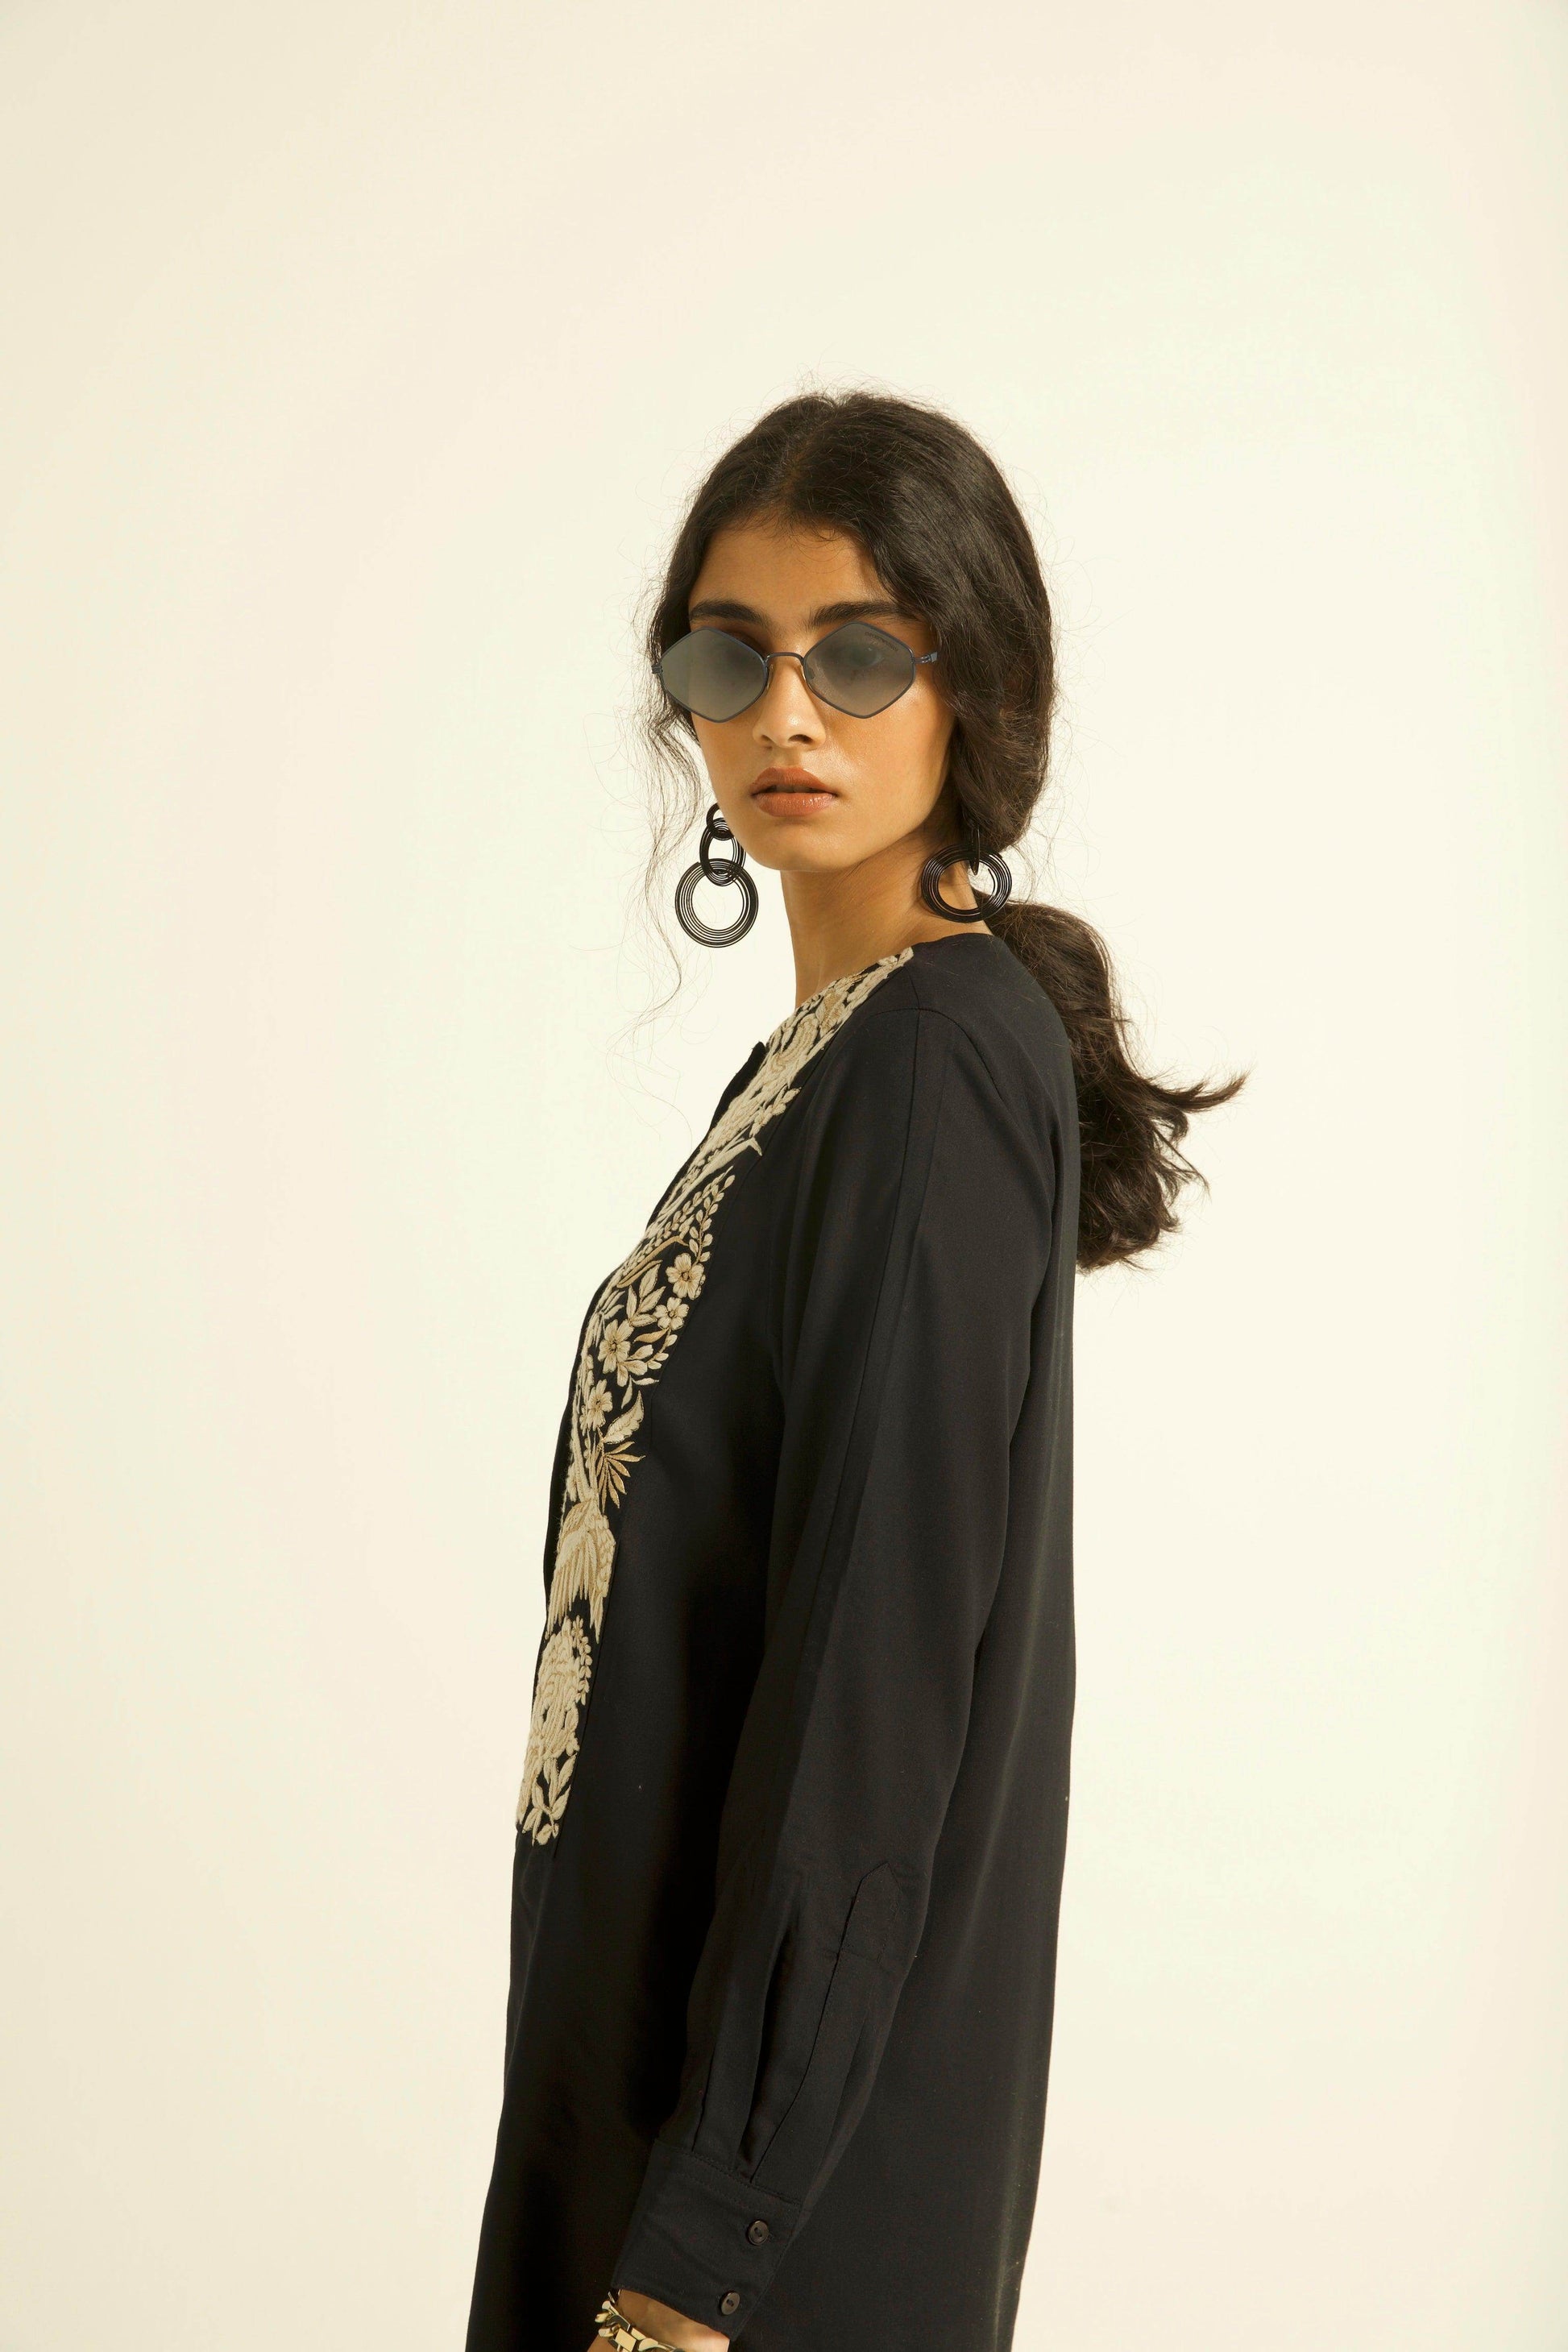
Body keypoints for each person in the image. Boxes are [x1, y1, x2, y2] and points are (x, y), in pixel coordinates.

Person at [464, 389, 1242, 2352]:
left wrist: (696, 2254)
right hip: (655, 2131)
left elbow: (869, 1692)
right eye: (730, 658)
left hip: (752, 2237)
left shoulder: (929, 1059)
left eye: (860, 656)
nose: (786, 716)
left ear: (974, 687)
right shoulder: (830, 1060)